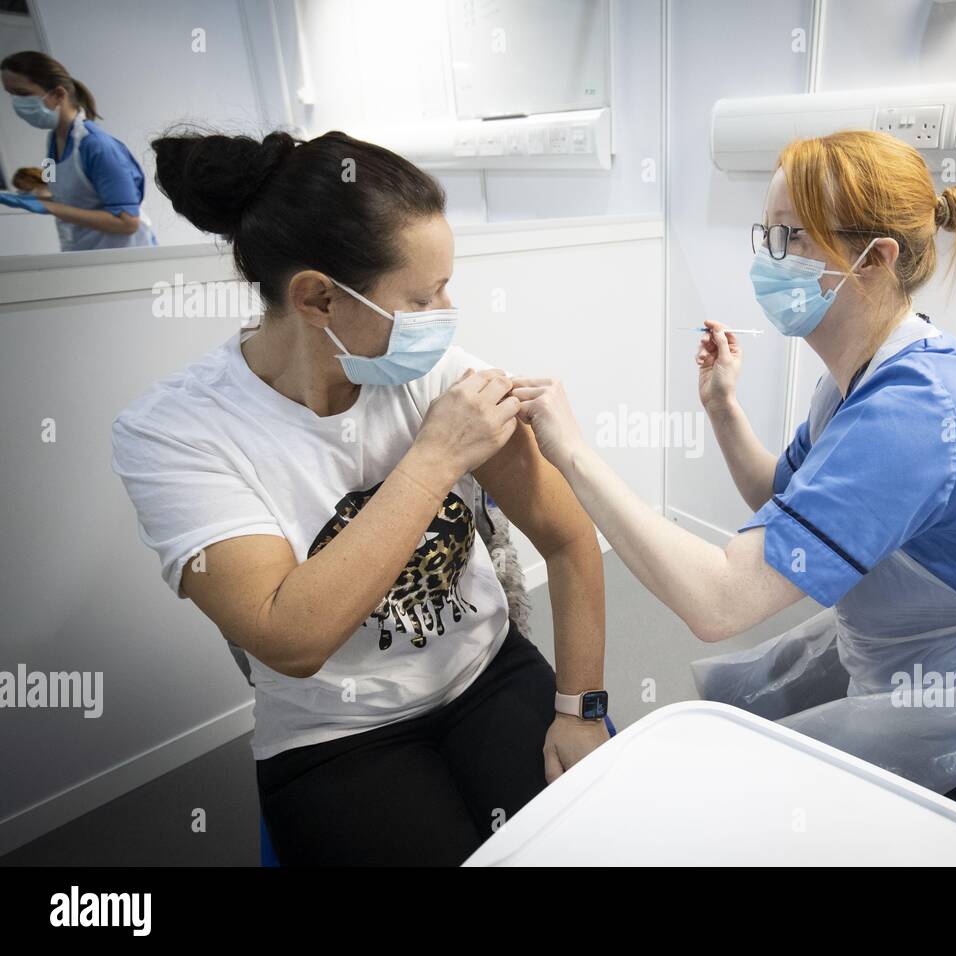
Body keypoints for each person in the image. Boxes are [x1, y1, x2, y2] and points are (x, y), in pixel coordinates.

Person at [511, 129, 956, 865]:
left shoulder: (917, 412)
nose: (767, 259)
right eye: (767, 234)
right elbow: (784, 502)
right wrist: (724, 408)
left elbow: (720, 601)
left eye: (790, 238)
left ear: (875, 259)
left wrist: (570, 452)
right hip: (952, 669)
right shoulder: (859, 379)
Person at [110, 129, 609, 865]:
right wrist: (434, 457)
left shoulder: (438, 373)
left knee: (588, 845)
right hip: (334, 737)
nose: (445, 313)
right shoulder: (176, 434)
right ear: (317, 298)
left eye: (446, 285)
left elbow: (568, 540)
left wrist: (581, 708)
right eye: (421, 295)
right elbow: (292, 637)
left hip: (486, 673)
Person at [0, 51, 155, 250]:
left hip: (125, 258)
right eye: (10, 94)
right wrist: (30, 197)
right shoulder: (52, 140)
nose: (16, 103)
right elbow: (52, 188)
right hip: (84, 253)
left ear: (58, 95)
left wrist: (50, 206)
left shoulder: (97, 146)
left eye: (22, 93)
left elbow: (127, 222)